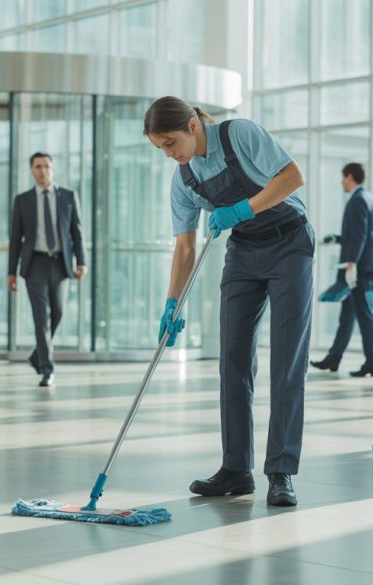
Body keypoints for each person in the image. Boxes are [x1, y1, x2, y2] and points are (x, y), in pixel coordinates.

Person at [144, 96, 314, 507]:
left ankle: (281, 471)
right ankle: (236, 469)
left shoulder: (240, 135)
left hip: (289, 243)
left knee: (287, 359)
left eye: (170, 143)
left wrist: (241, 208)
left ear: (192, 126)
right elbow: (184, 248)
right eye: (160, 148)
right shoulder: (183, 180)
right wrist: (172, 304)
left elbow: (292, 177)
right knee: (233, 358)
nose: (169, 154)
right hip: (244, 252)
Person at [7, 152, 87, 387]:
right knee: (41, 316)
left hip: (61, 263)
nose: (43, 171)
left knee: (58, 313)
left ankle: (37, 355)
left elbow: (77, 233)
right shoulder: (22, 200)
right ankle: (47, 368)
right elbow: (15, 239)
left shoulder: (69, 197)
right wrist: (11, 272)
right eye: (38, 167)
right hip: (35, 264)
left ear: (54, 169)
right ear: (32, 170)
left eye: (46, 166)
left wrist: (81, 261)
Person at [311, 163, 373, 377]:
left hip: (361, 269)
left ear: (350, 176)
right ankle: (333, 359)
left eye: (343, 177)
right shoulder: (369, 199)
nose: (342, 181)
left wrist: (351, 262)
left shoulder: (357, 200)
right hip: (369, 264)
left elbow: (361, 235)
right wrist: (336, 239)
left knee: (365, 316)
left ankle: (372, 364)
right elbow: (366, 234)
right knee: (347, 316)